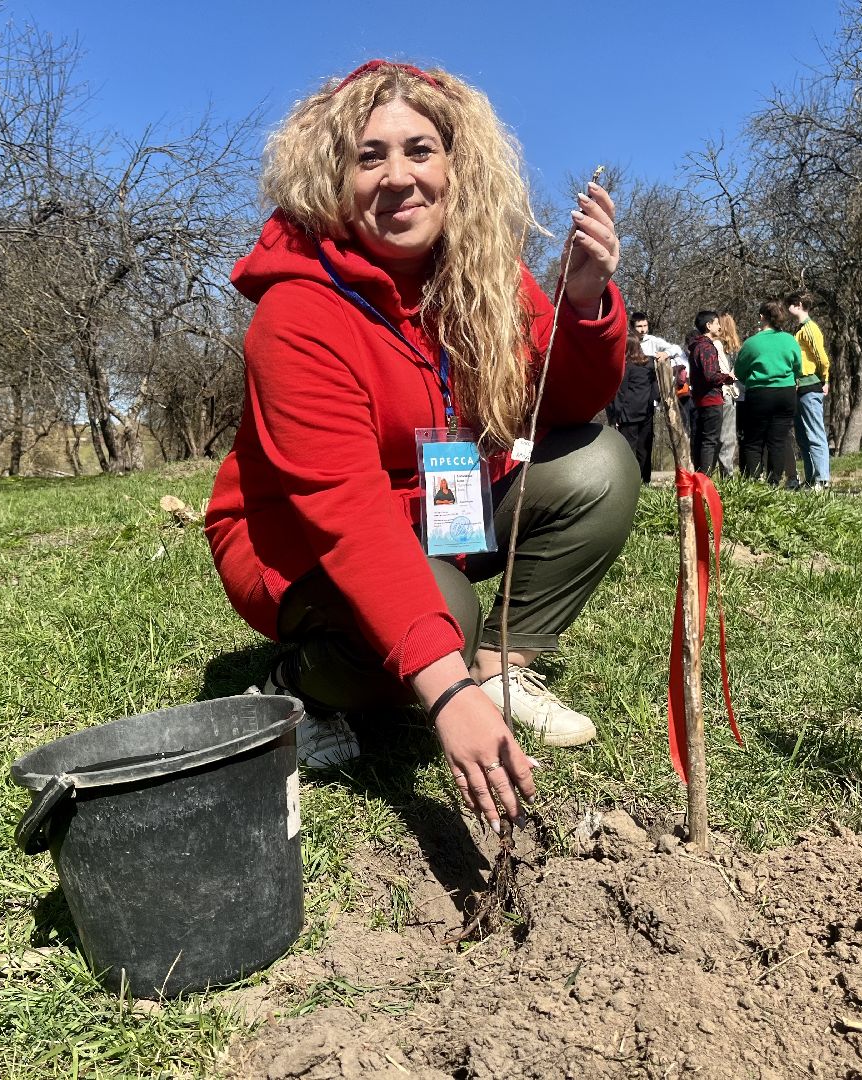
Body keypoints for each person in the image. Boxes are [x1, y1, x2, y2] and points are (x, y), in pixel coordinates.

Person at [203, 60, 637, 831]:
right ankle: (292, 682)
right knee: (442, 606)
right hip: (301, 541)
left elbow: (561, 405)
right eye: (369, 157)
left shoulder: (485, 275)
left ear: (456, 163)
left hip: (436, 514)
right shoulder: (297, 313)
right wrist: (444, 696)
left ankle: (497, 675)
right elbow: (346, 513)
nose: (398, 177)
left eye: (420, 150)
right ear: (331, 176)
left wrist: (584, 302)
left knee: (599, 468)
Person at [734, 301, 802, 485]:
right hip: (786, 393)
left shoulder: (751, 343)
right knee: (778, 440)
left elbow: (739, 371)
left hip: (760, 394)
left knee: (754, 440)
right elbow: (798, 367)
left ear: (761, 317)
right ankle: (774, 481)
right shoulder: (789, 340)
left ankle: (755, 481)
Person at [608, 311, 660, 484]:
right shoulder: (650, 364)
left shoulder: (626, 367)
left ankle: (630, 481)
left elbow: (621, 392)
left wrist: (616, 414)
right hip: (646, 410)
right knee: (645, 447)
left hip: (628, 413)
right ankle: (645, 479)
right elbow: (655, 388)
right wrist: (654, 402)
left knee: (628, 447)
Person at [786, 291, 831, 490]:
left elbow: (821, 357)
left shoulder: (810, 328)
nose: (786, 309)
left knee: (815, 433)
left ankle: (823, 479)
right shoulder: (799, 330)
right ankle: (811, 478)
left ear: (798, 305)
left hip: (811, 385)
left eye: (789, 304)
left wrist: (825, 379)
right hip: (798, 387)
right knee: (803, 436)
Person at [685, 309, 735, 472]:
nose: (719, 327)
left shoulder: (697, 347)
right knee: (710, 440)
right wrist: (728, 377)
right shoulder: (705, 347)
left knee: (703, 439)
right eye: (716, 323)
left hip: (702, 400)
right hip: (711, 400)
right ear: (708, 325)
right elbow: (710, 375)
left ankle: (701, 477)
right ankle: (705, 479)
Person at [711, 313, 742, 476]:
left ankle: (720, 472)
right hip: (728, 393)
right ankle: (726, 473)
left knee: (721, 436)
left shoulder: (717, 346)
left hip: (722, 394)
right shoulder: (732, 349)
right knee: (727, 436)